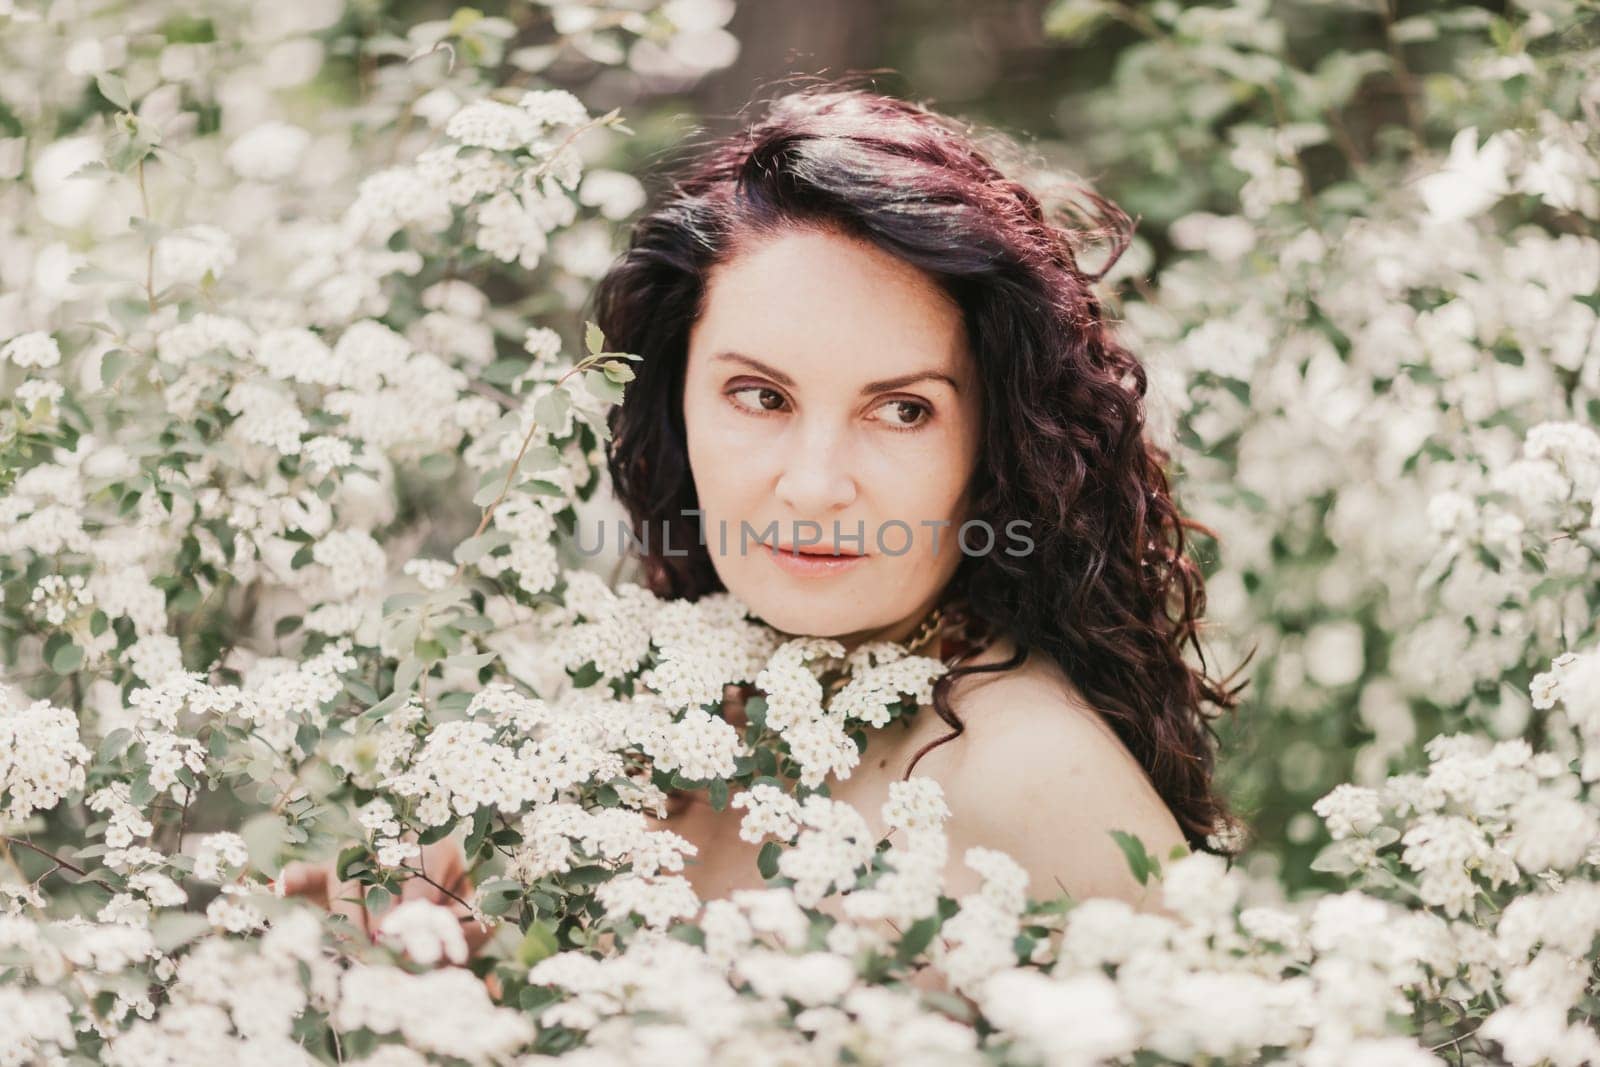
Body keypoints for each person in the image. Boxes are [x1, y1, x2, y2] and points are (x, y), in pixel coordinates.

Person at [280, 83, 1250, 958]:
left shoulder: (1031, 775)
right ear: (675, 400)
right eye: (760, 395)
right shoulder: (644, 712)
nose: (814, 486)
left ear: (993, 440)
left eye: (901, 408)